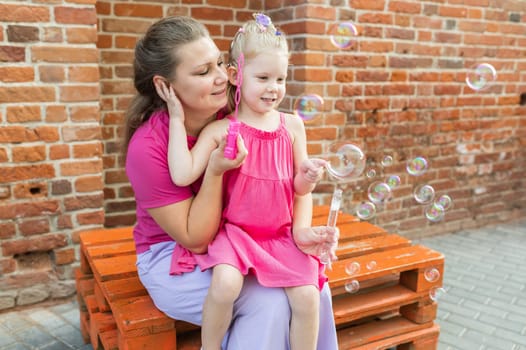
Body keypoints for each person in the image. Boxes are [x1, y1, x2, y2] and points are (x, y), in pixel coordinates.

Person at [123, 15, 339, 350]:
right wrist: (214, 170)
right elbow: (195, 239)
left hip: (245, 237)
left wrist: (301, 229)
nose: (223, 77)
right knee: (269, 302)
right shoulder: (148, 147)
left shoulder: (237, 109)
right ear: (165, 85)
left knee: (313, 287)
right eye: (202, 71)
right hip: (174, 253)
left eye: (220, 63)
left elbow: (282, 180)